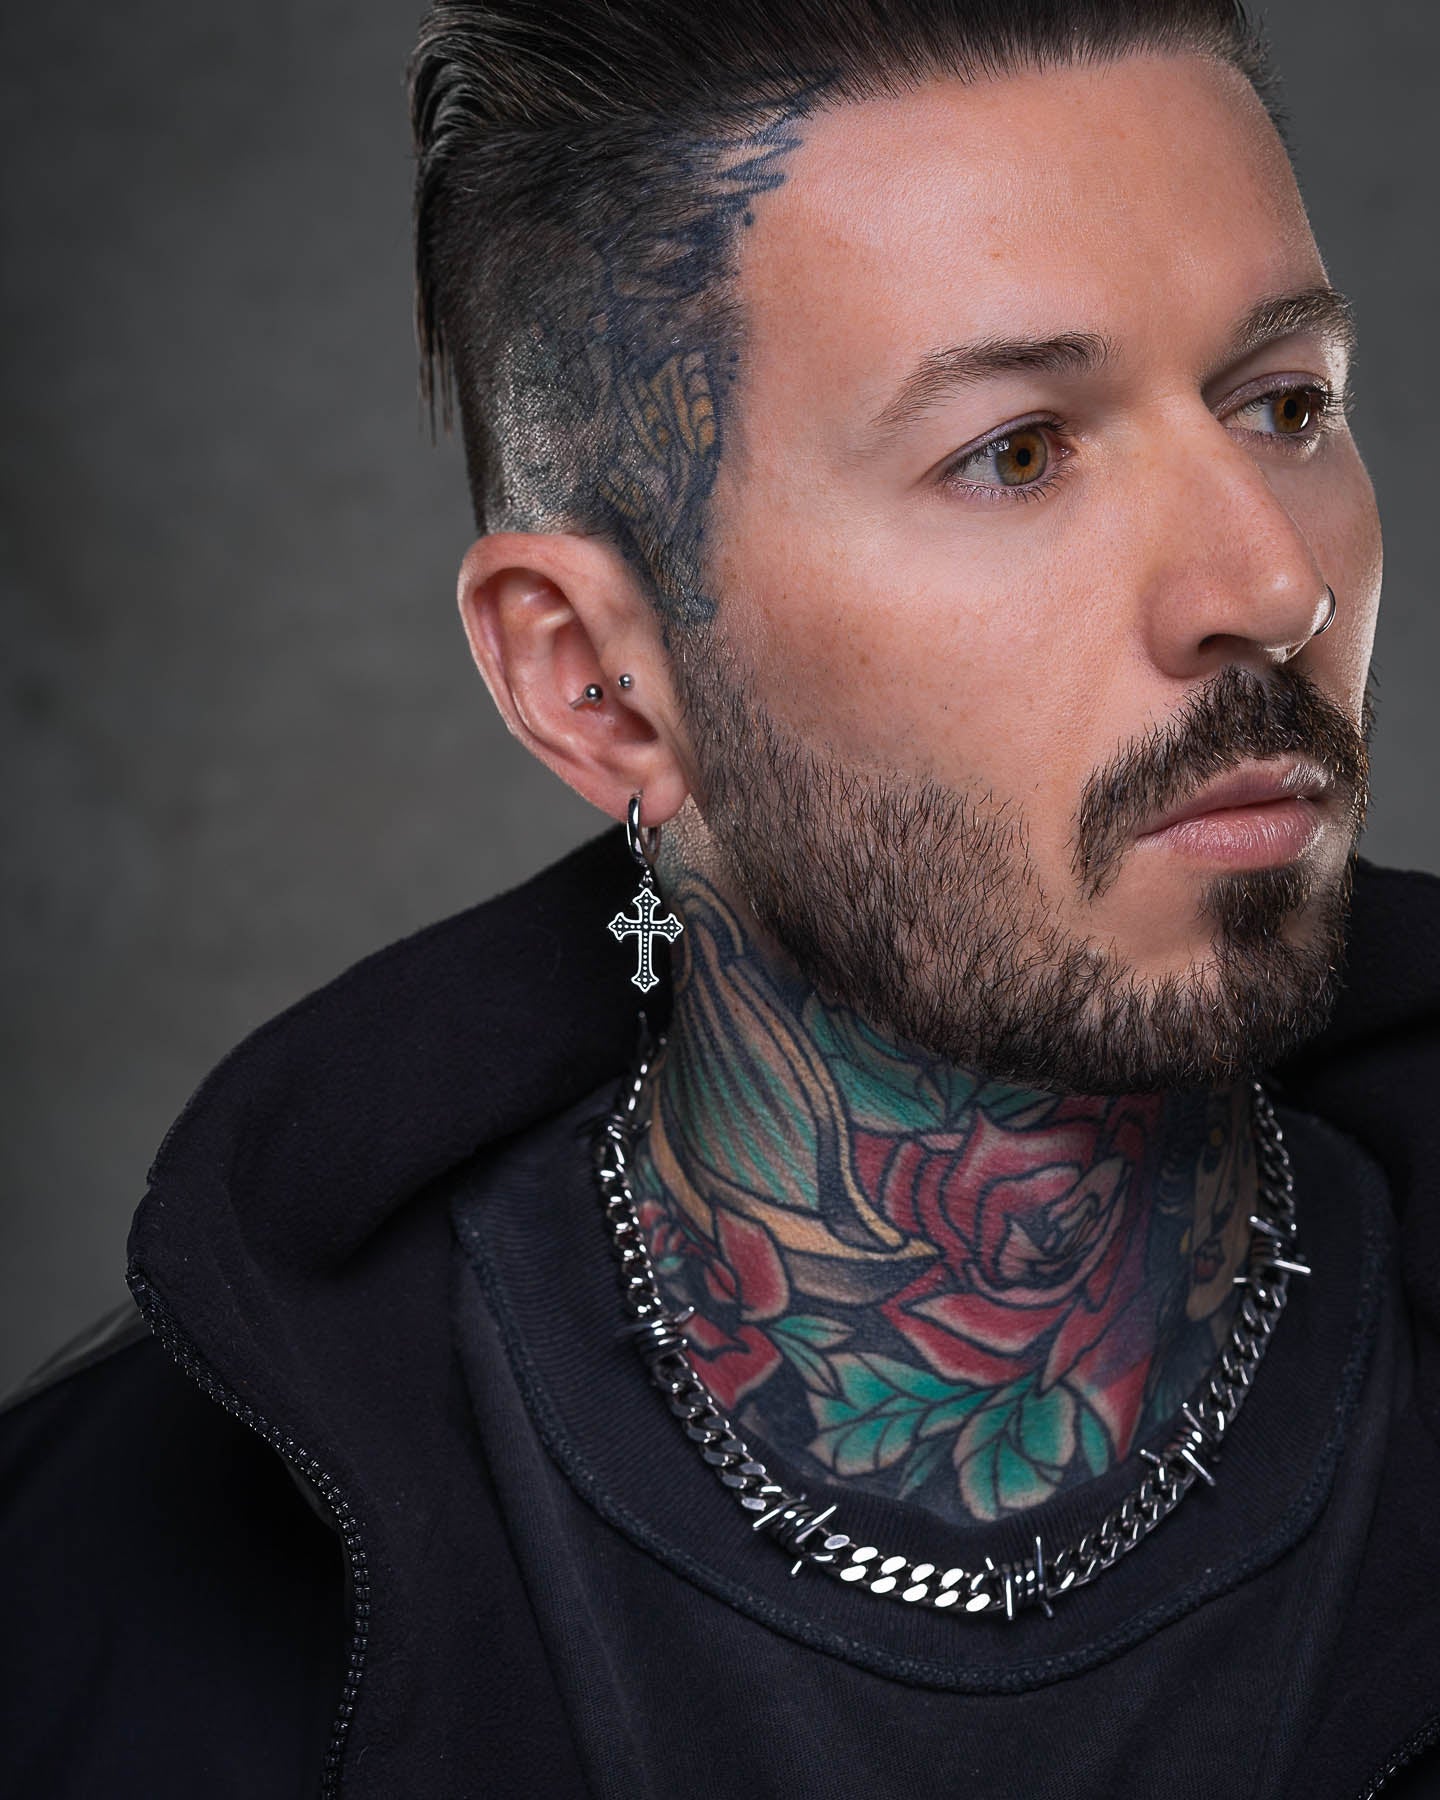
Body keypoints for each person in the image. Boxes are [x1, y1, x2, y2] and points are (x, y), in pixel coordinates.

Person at [3, 1, 1439, 1794]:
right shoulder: (76, 1633)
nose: (1275, 584)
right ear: (601, 685)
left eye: (1287, 404)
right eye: (1016, 452)